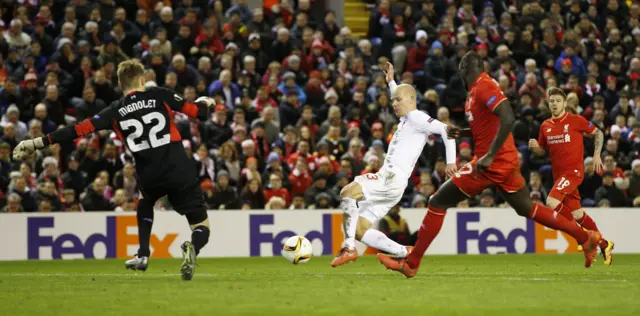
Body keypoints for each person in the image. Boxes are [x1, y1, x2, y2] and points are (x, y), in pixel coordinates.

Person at [377, 52, 602, 278]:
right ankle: (585, 238)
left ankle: (412, 263)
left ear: (466, 67)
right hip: (504, 161)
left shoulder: (484, 85)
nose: (460, 73)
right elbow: (489, 125)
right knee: (528, 208)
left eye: (461, 68)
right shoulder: (476, 90)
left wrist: (490, 155)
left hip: (492, 163)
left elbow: (508, 117)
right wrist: (463, 131)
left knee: (437, 201)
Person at [12, 60, 214, 281]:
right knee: (200, 224)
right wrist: (207, 102)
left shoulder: (114, 110)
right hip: (178, 168)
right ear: (142, 78)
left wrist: (37, 143)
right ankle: (192, 246)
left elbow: (76, 130)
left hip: (149, 173)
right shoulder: (158, 94)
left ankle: (143, 254)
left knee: (145, 200)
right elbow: (197, 112)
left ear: (119, 83)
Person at [330, 61, 457, 267]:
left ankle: (348, 248)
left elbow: (447, 130)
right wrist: (391, 82)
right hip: (395, 183)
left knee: (347, 192)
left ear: (411, 100)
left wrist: (451, 162)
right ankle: (404, 251)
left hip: (390, 178)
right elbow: (401, 97)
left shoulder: (417, 117)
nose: (394, 104)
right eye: (393, 100)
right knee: (359, 229)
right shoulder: (408, 118)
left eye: (398, 100)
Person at [529, 87, 614, 264]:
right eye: (551, 101)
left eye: (558, 101)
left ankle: (584, 238)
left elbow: (597, 133)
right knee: (576, 214)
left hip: (573, 173)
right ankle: (604, 244)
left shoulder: (575, 120)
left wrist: (597, 154)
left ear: (565, 103)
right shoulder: (545, 126)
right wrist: (535, 147)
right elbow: (542, 151)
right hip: (559, 176)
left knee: (551, 202)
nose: (554, 104)